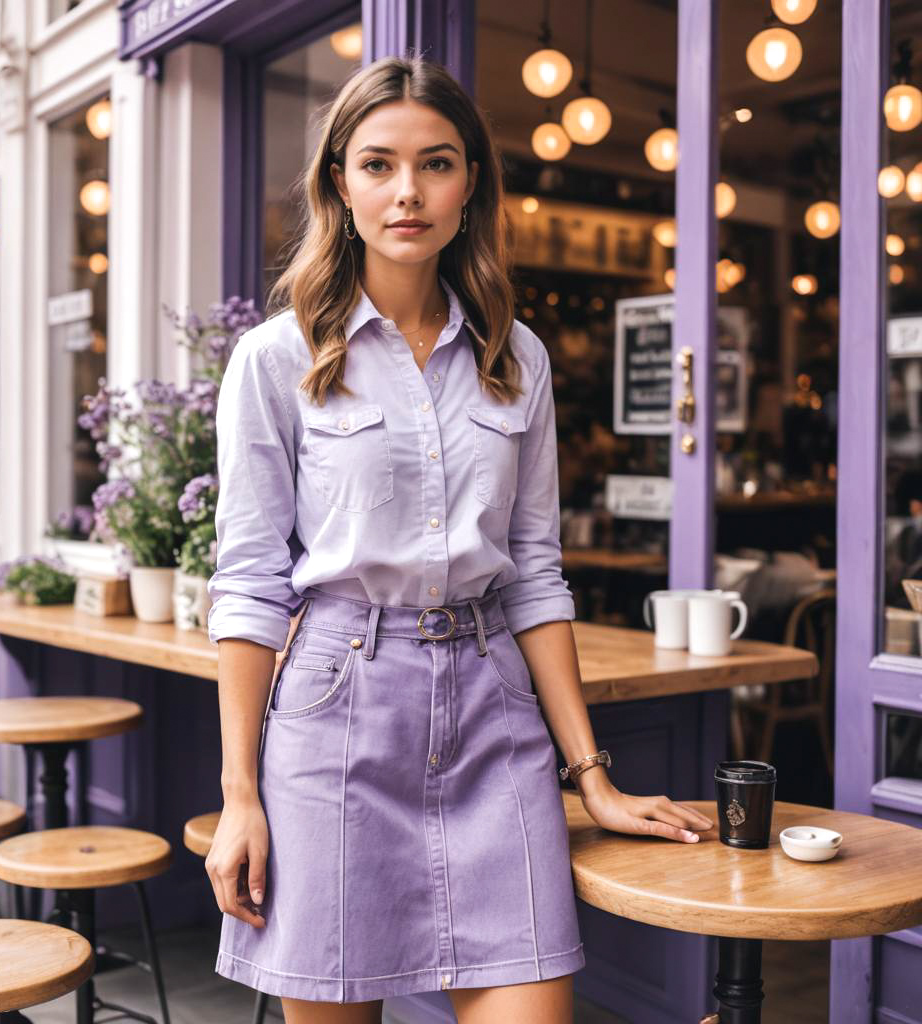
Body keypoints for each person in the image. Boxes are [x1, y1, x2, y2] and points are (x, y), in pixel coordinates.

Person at [204, 55, 713, 1024]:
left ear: (470, 180)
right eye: (377, 164)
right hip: (335, 715)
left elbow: (532, 574)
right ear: (338, 183)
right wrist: (240, 794)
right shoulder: (275, 359)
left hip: (492, 721)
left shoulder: (513, 356)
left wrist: (592, 778)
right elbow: (249, 583)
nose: (407, 191)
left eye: (435, 163)